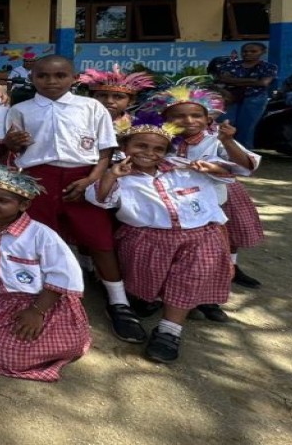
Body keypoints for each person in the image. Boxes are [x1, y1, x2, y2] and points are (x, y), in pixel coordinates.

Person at [4, 55, 139, 344]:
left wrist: (91, 180)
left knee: (99, 239)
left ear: (74, 77)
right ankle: (38, 293)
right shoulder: (21, 109)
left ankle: (119, 302)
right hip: (37, 180)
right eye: (43, 76)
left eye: (60, 75)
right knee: (39, 239)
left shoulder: (91, 107)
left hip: (82, 176)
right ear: (32, 77)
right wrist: (13, 144)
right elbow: (13, 151)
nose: (51, 81)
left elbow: (105, 151)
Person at [85, 114, 235, 364]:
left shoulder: (185, 168)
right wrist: (112, 175)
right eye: (140, 146)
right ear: (124, 148)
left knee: (187, 280)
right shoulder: (120, 175)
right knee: (149, 278)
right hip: (147, 238)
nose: (149, 153)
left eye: (158, 148)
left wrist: (213, 167)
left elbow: (234, 172)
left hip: (199, 238)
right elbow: (99, 199)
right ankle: (146, 301)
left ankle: (169, 330)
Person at [0, 166, 91, 382]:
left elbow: (64, 276)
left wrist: (37, 312)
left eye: (2, 200)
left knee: (17, 356)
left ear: (24, 205)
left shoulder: (41, 235)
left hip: (39, 301)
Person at [152, 84, 266, 308]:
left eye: (196, 115)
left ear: (208, 118)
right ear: (165, 119)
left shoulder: (215, 140)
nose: (189, 121)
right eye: (179, 116)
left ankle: (210, 296)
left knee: (215, 249)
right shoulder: (161, 140)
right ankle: (172, 294)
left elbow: (246, 166)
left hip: (213, 202)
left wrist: (228, 142)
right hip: (173, 206)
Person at [215, 42, 277, 148]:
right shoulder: (230, 64)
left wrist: (234, 81)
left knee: (247, 127)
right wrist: (253, 80)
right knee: (226, 123)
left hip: (255, 99)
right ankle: (223, 151)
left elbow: (263, 83)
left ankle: (244, 155)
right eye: (245, 51)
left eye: (253, 51)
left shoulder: (269, 67)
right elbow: (224, 79)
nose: (248, 53)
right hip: (231, 98)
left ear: (263, 52)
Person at [76, 65, 156, 131]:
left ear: (131, 101)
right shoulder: (78, 122)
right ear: (91, 98)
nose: (109, 101)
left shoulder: (139, 127)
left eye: (118, 97)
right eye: (102, 95)